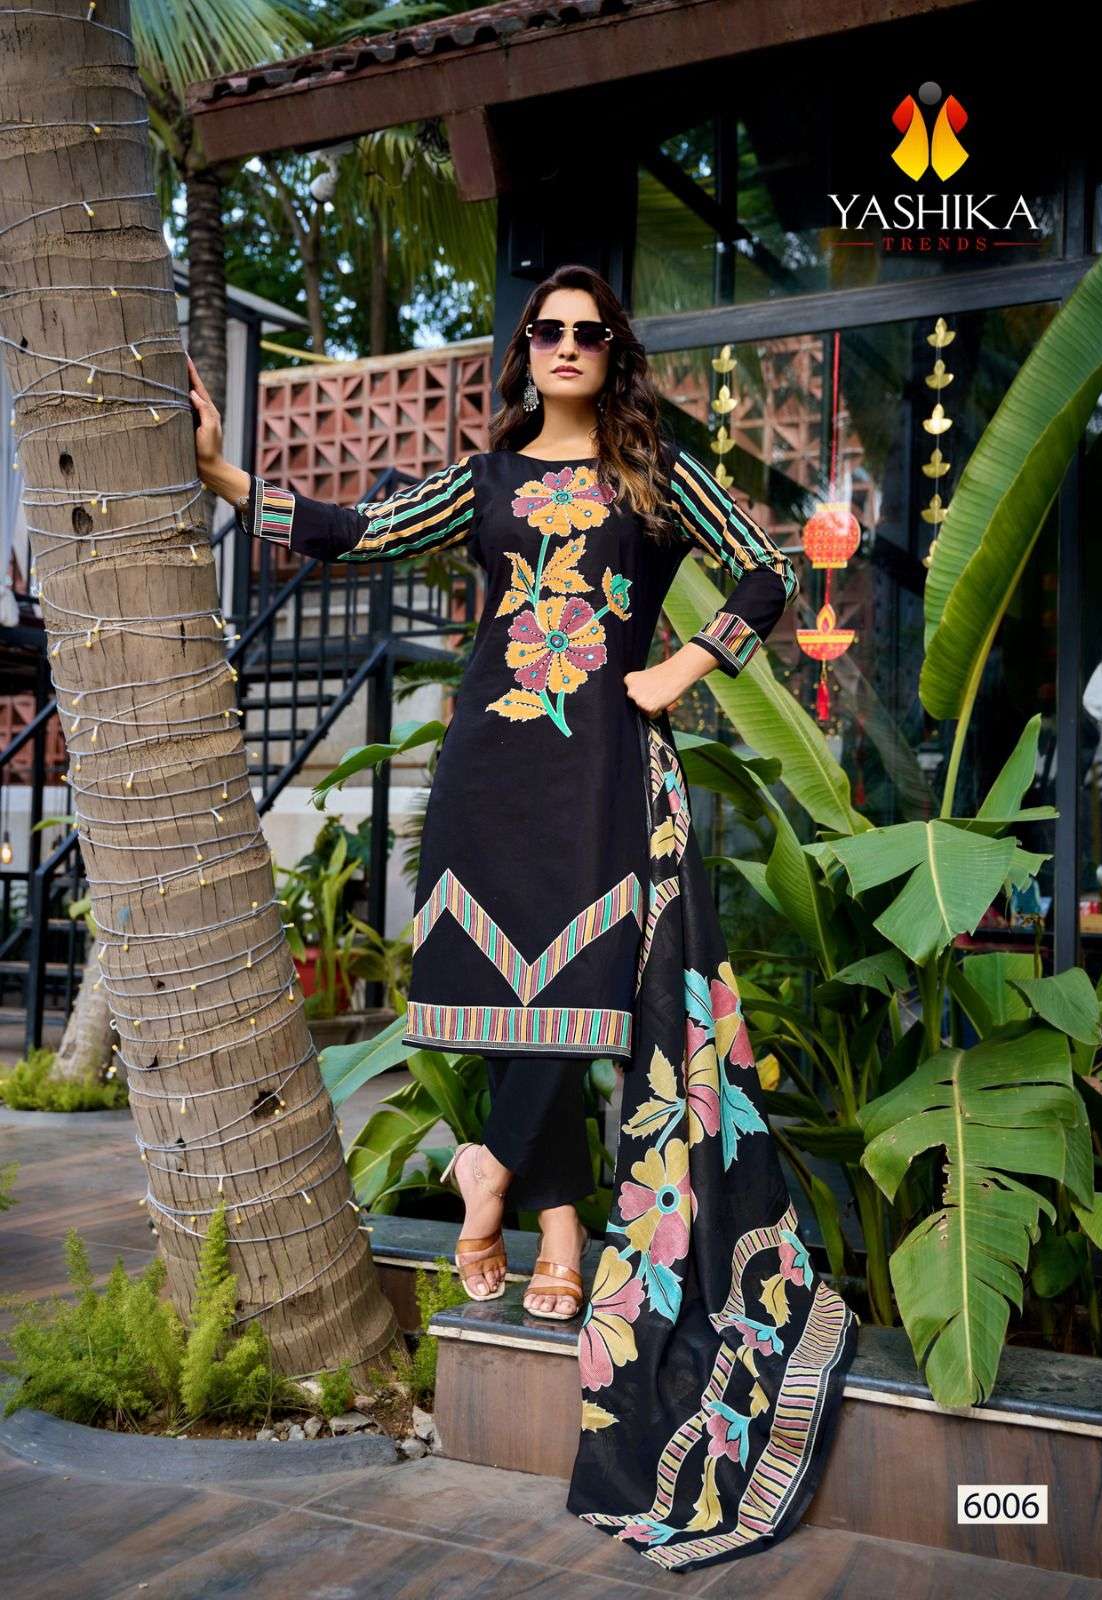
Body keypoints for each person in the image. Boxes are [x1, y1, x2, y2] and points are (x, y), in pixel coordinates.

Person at [190, 264, 857, 1571]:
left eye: (586, 332)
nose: (563, 345)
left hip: (607, 770)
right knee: (508, 993)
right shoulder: (484, 481)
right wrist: (223, 476)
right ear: (524, 351)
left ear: (613, 353)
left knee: (592, 981)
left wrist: (680, 665)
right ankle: (545, 1216)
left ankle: (489, 1167)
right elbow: (355, 530)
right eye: (545, 330)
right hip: (494, 771)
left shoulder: (653, 479)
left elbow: (769, 568)